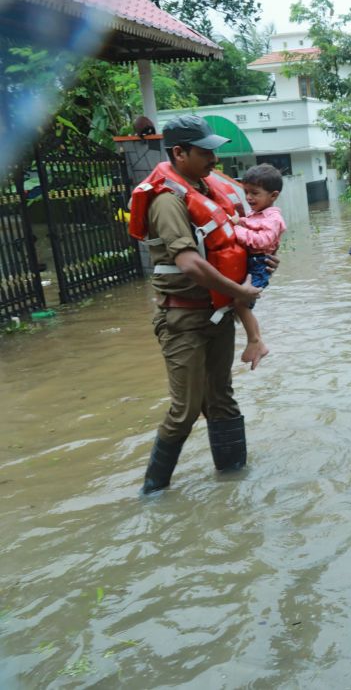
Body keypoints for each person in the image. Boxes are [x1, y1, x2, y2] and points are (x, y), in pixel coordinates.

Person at [127, 114, 263, 494]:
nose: (214, 161)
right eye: (205, 153)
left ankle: (233, 483)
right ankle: (153, 493)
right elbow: (188, 263)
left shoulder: (203, 189)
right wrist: (239, 293)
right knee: (184, 410)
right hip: (183, 319)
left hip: (217, 315)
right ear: (179, 153)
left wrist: (259, 262)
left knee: (222, 400)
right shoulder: (167, 201)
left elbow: (230, 244)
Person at [226, 163, 286, 369]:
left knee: (241, 303)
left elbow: (261, 241)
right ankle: (255, 340)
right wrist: (241, 222)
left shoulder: (273, 218)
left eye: (255, 193)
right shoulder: (258, 213)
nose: (249, 198)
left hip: (260, 265)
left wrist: (236, 230)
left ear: (273, 195)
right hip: (254, 263)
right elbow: (250, 224)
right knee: (238, 302)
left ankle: (255, 340)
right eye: (246, 193)